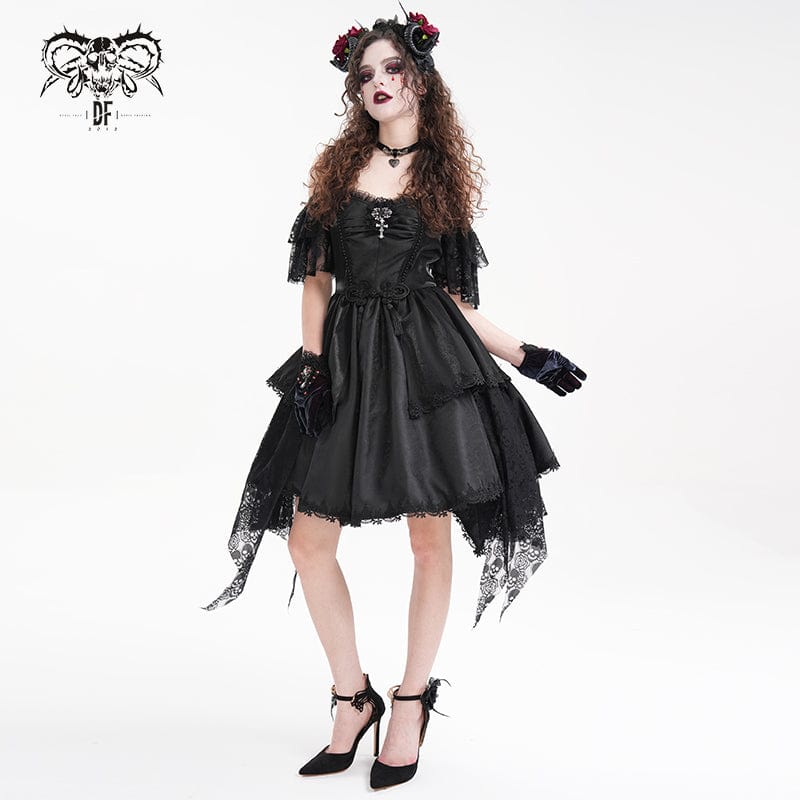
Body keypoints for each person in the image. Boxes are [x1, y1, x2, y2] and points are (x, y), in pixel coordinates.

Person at [202, 5, 587, 790]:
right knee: (308, 542)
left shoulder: (442, 180)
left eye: (393, 68)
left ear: (420, 80)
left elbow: (455, 302)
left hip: (426, 368)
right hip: (345, 362)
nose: (378, 81)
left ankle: (410, 702)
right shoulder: (337, 169)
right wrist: (313, 371)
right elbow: (316, 283)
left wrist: (527, 355)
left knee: (428, 540)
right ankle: (353, 698)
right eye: (366, 74)